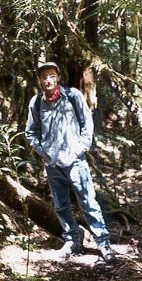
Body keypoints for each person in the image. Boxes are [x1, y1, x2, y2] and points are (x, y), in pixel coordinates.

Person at [25, 61, 117, 264]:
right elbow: (31, 132)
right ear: (39, 80)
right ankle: (72, 240)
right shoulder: (36, 102)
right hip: (53, 164)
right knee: (61, 205)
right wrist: (44, 153)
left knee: (88, 202)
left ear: (58, 77)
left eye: (52, 75)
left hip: (75, 161)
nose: (48, 80)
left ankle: (103, 244)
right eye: (44, 77)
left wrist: (80, 148)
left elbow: (87, 123)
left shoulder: (72, 95)